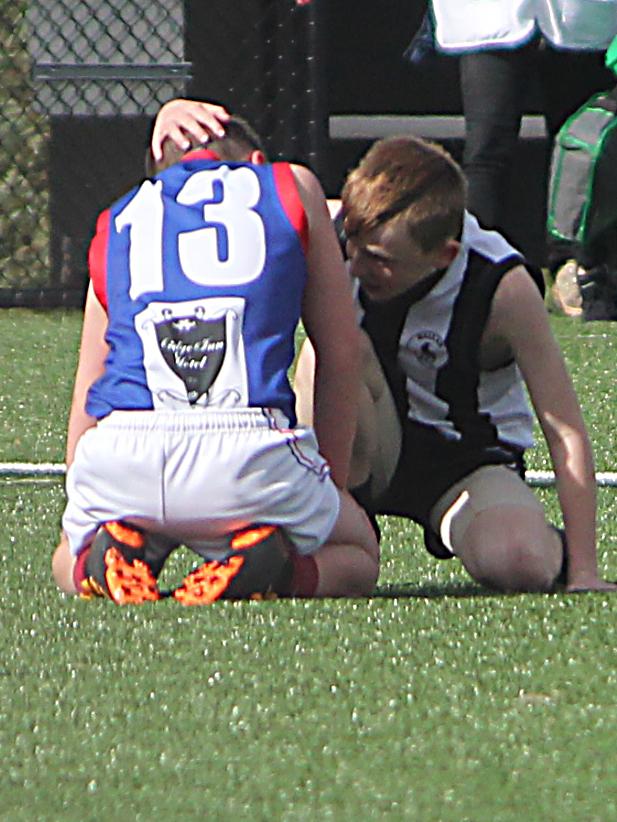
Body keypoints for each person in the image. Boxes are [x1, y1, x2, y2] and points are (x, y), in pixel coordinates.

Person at [153, 99, 616, 594]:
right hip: (358, 447)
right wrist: (169, 124)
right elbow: (235, 193)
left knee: (518, 564)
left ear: (445, 255)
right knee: (330, 350)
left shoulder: (501, 285)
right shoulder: (329, 228)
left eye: (379, 259)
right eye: (351, 243)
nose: (354, 265)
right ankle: (322, 509)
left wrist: (585, 573)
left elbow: (563, 428)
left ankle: (549, 547)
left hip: (463, 460)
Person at [51, 104, 379, 605]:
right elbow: (339, 350)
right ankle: (272, 570)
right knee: (358, 554)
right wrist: (331, 485)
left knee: (64, 560)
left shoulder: (118, 217)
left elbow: (89, 383)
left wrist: (83, 493)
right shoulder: (291, 185)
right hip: (247, 454)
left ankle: (100, 559)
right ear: (256, 159)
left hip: (123, 452)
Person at [407, 1, 617, 316]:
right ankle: (474, 276)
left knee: (584, 146)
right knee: (487, 152)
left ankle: (579, 270)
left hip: (580, 14)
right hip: (490, 14)